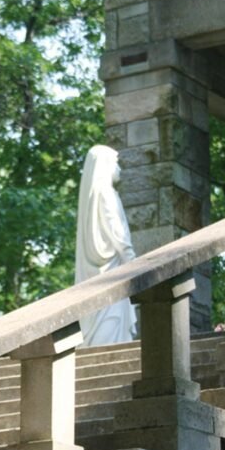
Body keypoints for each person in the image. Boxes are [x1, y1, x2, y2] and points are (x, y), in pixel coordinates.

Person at [75, 144, 138, 346]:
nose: (119, 170)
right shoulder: (107, 194)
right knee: (110, 321)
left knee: (99, 322)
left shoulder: (91, 198)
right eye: (116, 164)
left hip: (95, 273)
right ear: (105, 166)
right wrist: (134, 263)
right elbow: (118, 233)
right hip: (111, 273)